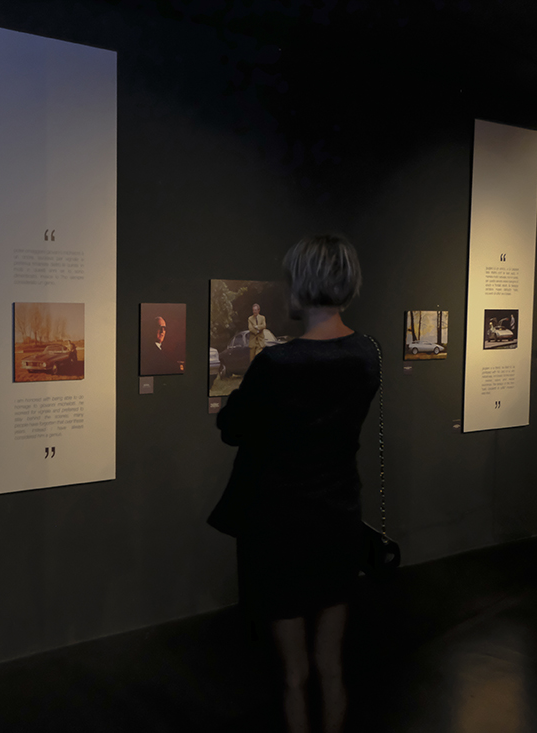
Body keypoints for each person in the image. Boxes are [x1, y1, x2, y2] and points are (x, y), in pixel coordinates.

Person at [208, 234, 379, 733]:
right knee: (330, 665)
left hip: (279, 528)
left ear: (303, 285)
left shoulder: (276, 364)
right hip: (338, 519)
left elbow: (232, 429)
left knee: (293, 674)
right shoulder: (368, 354)